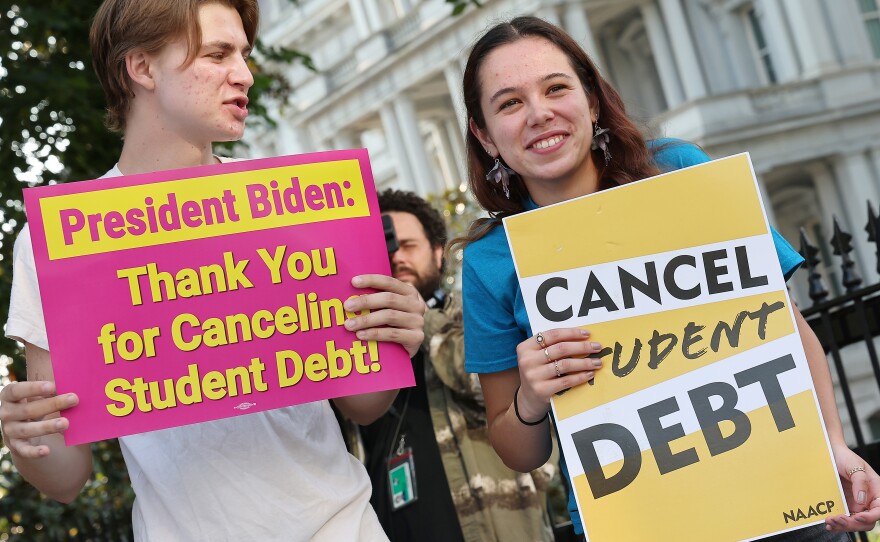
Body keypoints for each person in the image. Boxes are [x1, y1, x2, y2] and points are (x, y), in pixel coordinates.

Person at [0, 1, 425, 540]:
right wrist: (26, 436)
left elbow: (363, 406)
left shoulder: (300, 201)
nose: (244, 75)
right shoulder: (53, 241)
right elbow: (65, 479)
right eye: (217, 54)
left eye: (244, 55)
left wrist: (396, 338)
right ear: (143, 68)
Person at [455, 16, 880, 541]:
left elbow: (784, 326)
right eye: (509, 103)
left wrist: (833, 444)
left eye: (556, 88)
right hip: (638, 525)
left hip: (779, 499)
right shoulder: (488, 261)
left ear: (591, 99)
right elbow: (518, 450)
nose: (539, 114)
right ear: (485, 134)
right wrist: (532, 398)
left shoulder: (678, 170)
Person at [340, 188, 555, 542]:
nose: (396, 258)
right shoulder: (354, 341)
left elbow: (501, 388)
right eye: (383, 249)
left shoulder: (476, 313)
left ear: (438, 253)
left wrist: (422, 321)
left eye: (407, 246)